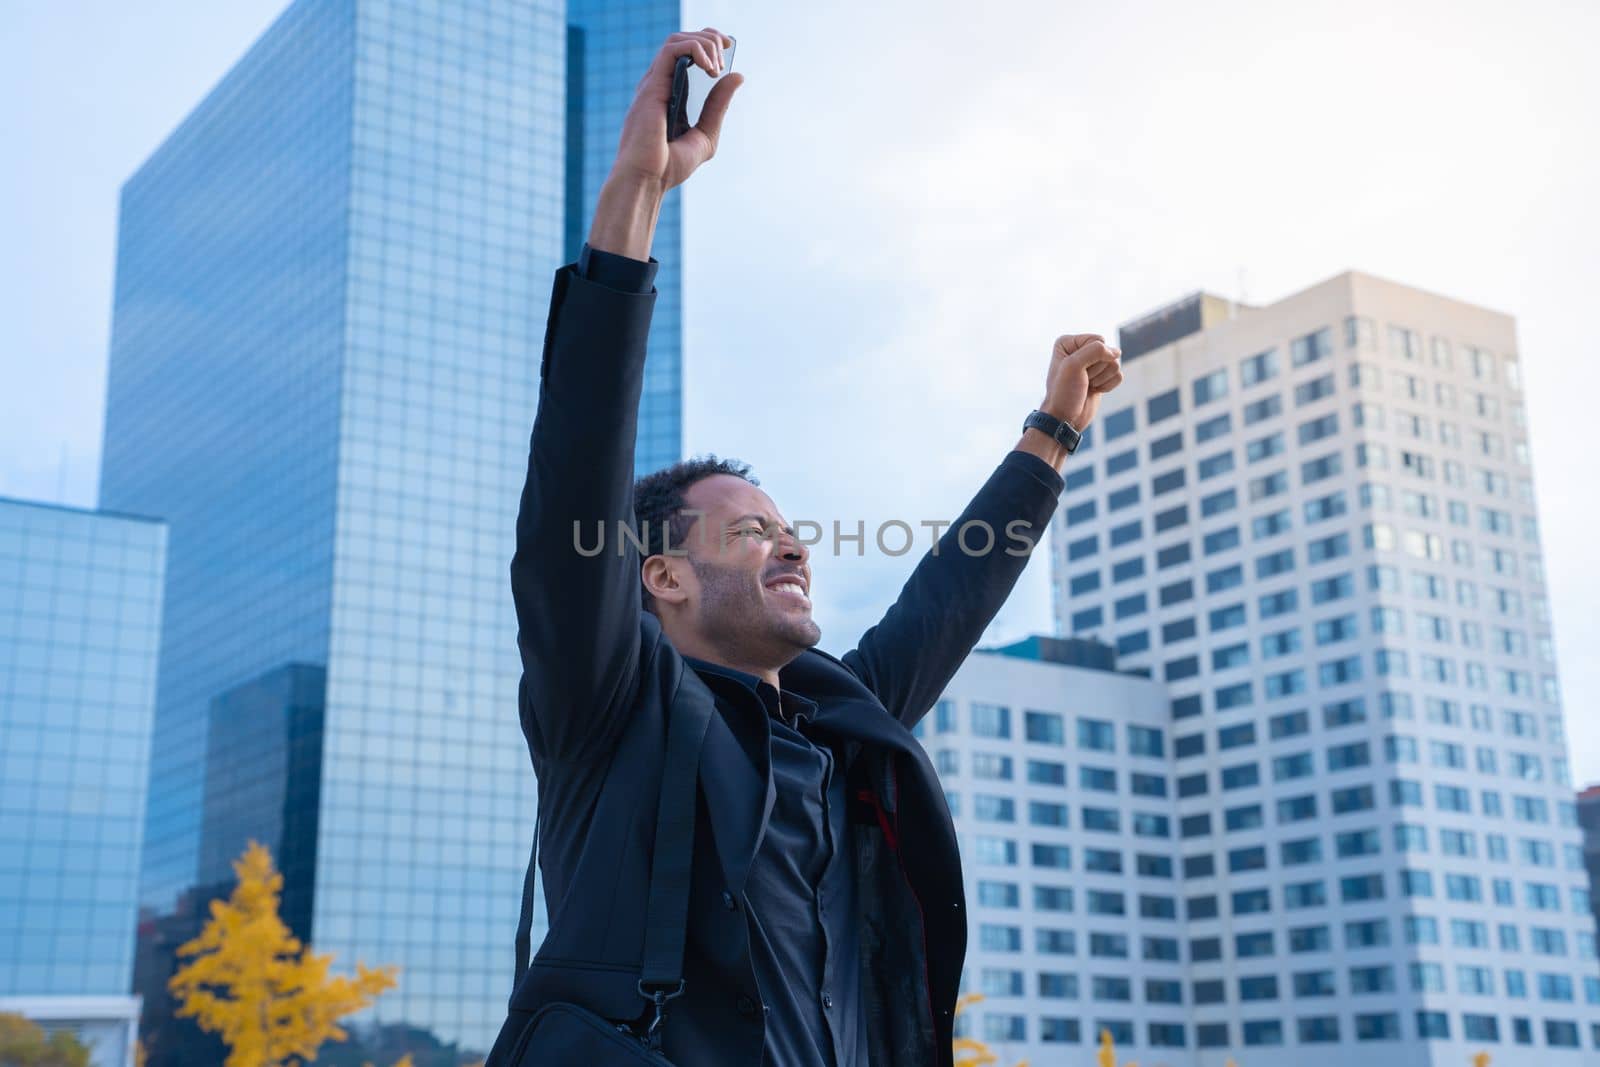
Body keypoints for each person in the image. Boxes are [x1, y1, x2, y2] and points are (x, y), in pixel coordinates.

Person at [487, 27, 1124, 1067]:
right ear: (661, 575)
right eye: (751, 531)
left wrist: (1047, 437)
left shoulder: (835, 721)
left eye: (791, 530)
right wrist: (636, 197)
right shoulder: (606, 703)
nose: (792, 547)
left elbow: (945, 600)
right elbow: (573, 471)